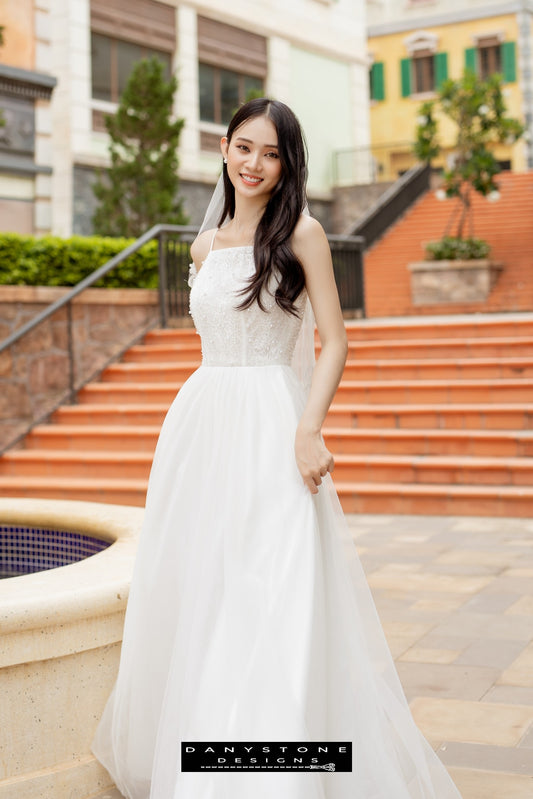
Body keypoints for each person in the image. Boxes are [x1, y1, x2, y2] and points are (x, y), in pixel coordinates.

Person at [91, 97, 464, 799]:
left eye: (270, 153)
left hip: (273, 422)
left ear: (288, 164)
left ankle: (277, 773)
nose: (254, 164)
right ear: (224, 149)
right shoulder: (203, 248)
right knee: (207, 587)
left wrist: (309, 428)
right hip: (202, 426)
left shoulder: (303, 234)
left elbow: (335, 341)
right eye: (243, 147)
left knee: (274, 589)